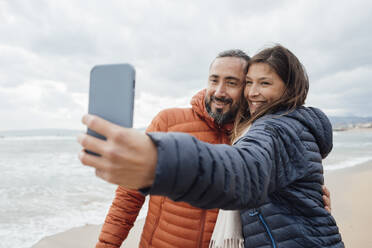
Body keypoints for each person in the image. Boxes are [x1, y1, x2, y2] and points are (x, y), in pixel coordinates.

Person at [78, 47, 335, 247]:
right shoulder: (168, 121)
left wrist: (307, 204)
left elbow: (256, 176)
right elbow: (128, 197)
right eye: (214, 80)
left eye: (232, 82)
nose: (219, 91)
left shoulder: (251, 134)